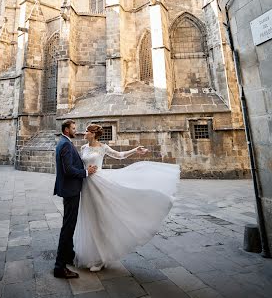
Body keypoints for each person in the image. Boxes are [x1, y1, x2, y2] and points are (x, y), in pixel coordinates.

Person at [74, 123, 180, 272]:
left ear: (93, 134)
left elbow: (119, 155)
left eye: (87, 131)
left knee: (100, 220)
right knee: (89, 219)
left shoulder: (103, 147)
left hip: (99, 184)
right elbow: (80, 166)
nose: (84, 132)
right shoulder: (83, 148)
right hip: (86, 186)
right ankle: (91, 255)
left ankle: (101, 259)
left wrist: (135, 150)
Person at [53, 119, 97, 279]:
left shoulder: (65, 142)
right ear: (66, 130)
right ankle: (59, 266)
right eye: (73, 128)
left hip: (70, 189)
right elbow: (68, 169)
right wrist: (86, 172)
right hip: (70, 190)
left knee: (69, 224)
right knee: (68, 227)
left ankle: (69, 255)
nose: (75, 130)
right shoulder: (65, 144)